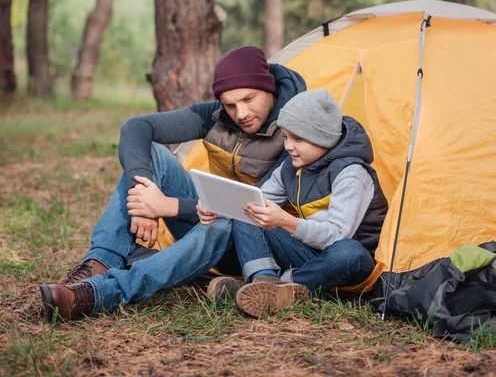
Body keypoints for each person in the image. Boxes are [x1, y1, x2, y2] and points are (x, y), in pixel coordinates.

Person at [39, 46, 307, 321]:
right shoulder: (216, 116)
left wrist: (167, 206)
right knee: (152, 157)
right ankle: (98, 265)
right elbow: (137, 127)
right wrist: (141, 195)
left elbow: (253, 207)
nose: (241, 113)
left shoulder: (295, 130)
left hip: (258, 239)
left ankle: (100, 293)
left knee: (225, 222)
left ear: (269, 87)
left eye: (248, 99)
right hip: (209, 214)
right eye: (230, 104)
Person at [203, 88, 388, 318]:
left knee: (348, 252)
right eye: (286, 137)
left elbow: (337, 236)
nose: (288, 146)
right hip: (308, 252)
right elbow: (255, 200)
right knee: (251, 209)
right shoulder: (291, 166)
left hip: (347, 262)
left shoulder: (351, 174)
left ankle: (279, 287)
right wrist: (216, 207)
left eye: (297, 139)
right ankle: (263, 280)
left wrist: (287, 222)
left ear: (323, 138)